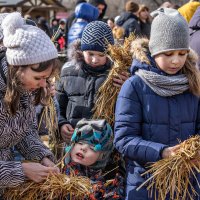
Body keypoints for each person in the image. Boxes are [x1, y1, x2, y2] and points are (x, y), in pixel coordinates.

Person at [114, 8, 200, 200]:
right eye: (168, 54)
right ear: (154, 50)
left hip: (188, 184)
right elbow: (123, 139)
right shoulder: (134, 86)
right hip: (145, 185)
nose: (176, 60)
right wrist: (162, 152)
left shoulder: (194, 84)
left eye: (182, 53)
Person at [0, 12, 60, 197]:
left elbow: (25, 132)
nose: (43, 84)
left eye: (46, 78)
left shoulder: (24, 90)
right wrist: (21, 170)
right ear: (18, 68)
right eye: (38, 78)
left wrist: (42, 156)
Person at [57, 21, 115, 143]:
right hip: (74, 139)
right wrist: (61, 123)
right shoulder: (68, 71)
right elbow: (57, 106)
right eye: (90, 53)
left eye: (101, 54)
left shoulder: (114, 75)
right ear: (81, 50)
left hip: (102, 141)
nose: (95, 59)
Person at [63, 118, 125, 199]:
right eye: (80, 143)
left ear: (102, 156)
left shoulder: (109, 180)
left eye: (92, 148)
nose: (83, 148)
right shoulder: (63, 171)